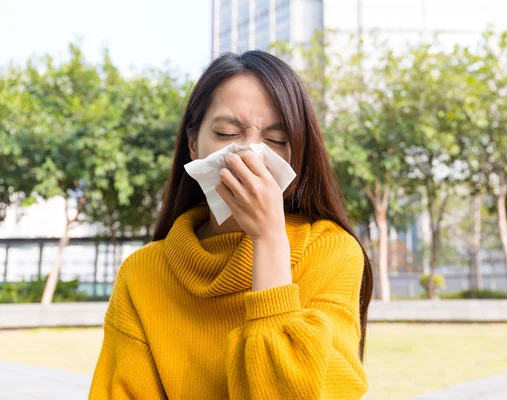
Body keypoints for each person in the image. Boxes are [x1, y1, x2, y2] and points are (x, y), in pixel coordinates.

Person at [89, 50, 373, 399]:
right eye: (226, 133)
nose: (250, 155)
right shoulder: (143, 273)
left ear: (297, 153)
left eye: (275, 141)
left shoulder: (332, 252)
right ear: (193, 145)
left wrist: (269, 239)